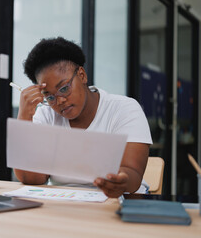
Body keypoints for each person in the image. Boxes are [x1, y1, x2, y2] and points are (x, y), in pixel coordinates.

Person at [14, 37, 152, 198]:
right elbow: (32, 178)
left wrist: (120, 181)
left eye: (64, 88)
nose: (60, 101)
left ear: (82, 75)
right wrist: (24, 117)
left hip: (121, 203)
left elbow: (133, 175)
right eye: (49, 97)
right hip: (68, 205)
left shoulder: (124, 109)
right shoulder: (46, 115)